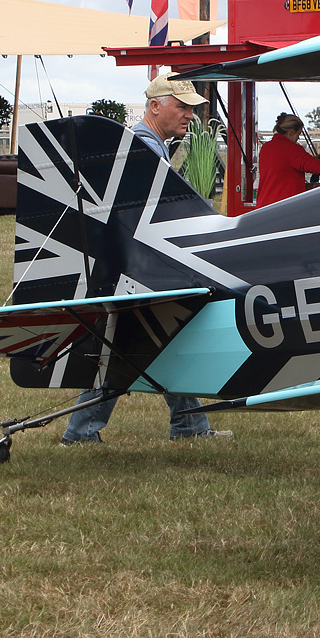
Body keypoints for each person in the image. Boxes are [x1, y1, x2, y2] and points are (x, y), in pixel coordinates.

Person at [61, 72, 231, 443]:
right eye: (182, 106)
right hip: (136, 268)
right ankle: (81, 432)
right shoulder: (144, 148)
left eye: (192, 108)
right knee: (127, 347)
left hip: (137, 264)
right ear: (155, 106)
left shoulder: (149, 147)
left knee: (168, 336)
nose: (190, 115)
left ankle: (188, 426)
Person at [257, 113, 320, 208]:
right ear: (291, 132)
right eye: (298, 134)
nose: (298, 138)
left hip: (264, 205)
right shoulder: (293, 149)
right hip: (284, 207)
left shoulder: (266, 147)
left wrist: (313, 159)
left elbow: (284, 167)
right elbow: (318, 167)